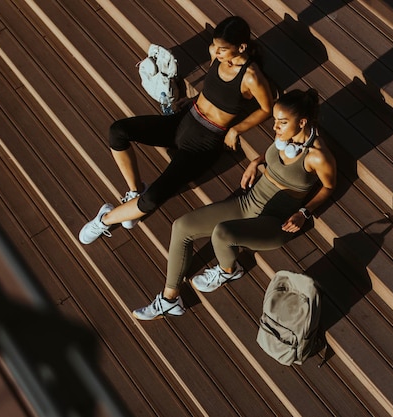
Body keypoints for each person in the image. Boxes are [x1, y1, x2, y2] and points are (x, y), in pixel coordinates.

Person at [132, 89, 336, 320]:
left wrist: (304, 212)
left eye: (282, 122)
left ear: (302, 122)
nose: (275, 127)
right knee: (181, 226)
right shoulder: (284, 139)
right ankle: (170, 299)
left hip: (273, 221)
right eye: (275, 121)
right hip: (246, 202)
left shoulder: (318, 156)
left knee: (222, 233)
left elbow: (328, 187)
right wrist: (255, 162)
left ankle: (229, 271)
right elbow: (271, 157)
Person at [79, 16, 273, 244]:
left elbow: (266, 108)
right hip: (183, 120)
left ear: (241, 47)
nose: (216, 52)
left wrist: (236, 129)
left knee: (152, 199)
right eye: (215, 46)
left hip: (203, 143)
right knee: (118, 131)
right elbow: (213, 87)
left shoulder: (251, 77)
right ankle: (135, 190)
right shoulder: (216, 55)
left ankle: (105, 219)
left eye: (223, 49)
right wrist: (194, 99)